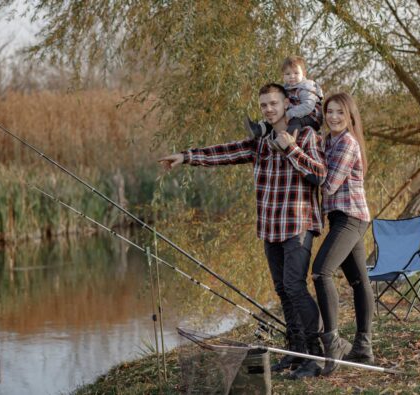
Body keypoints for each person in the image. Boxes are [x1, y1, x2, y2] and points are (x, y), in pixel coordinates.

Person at [159, 83, 327, 379]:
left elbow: (320, 174)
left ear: (287, 103)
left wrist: (291, 148)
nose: (268, 109)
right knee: (282, 291)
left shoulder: (307, 135)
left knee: (295, 287)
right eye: (263, 105)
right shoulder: (260, 141)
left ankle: (316, 356)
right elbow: (225, 153)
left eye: (273, 103)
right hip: (270, 227)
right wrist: (186, 157)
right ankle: (295, 352)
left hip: (298, 224)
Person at [311, 92, 375, 375]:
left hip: (351, 217)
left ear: (350, 116)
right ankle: (363, 346)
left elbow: (329, 185)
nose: (333, 117)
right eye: (329, 112)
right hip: (341, 217)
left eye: (339, 112)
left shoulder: (347, 142)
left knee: (321, 272)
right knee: (360, 282)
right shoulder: (329, 141)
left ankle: (333, 341)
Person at [245, 56, 324, 139]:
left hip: (311, 117)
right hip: (297, 113)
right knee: (276, 117)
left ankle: (286, 140)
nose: (292, 76)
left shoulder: (305, 89)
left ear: (304, 74)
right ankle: (257, 130)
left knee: (294, 121)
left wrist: (290, 113)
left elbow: (308, 106)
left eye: (296, 73)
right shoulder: (287, 88)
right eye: (287, 74)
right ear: (283, 75)